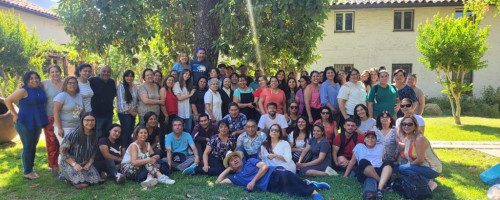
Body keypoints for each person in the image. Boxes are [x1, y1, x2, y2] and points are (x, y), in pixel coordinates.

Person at [215, 151, 329, 200]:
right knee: (291, 191)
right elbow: (218, 182)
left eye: (236, 157)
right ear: (230, 165)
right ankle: (311, 184)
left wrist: (253, 181)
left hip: (274, 173)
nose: (235, 160)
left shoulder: (250, 161)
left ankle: (313, 191)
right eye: (231, 160)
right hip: (269, 186)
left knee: (286, 177)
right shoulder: (236, 178)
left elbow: (265, 167)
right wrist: (228, 169)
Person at [4, 71, 48, 180]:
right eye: (31, 79)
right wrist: (14, 114)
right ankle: (27, 171)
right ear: (26, 81)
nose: (34, 80)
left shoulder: (39, 88)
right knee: (28, 146)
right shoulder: (23, 91)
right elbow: (7, 100)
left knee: (33, 145)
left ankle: (30, 169)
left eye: (36, 78)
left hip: (37, 121)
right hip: (24, 121)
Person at [343, 131, 393, 199]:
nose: (370, 139)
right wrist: (345, 175)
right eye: (368, 137)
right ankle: (382, 183)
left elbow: (383, 159)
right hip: (364, 171)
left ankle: (380, 189)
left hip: (378, 170)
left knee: (388, 162)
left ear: (376, 140)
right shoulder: (359, 146)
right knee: (363, 161)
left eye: (373, 137)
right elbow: (352, 161)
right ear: (364, 139)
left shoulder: (380, 147)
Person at [59, 113, 102, 189]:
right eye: (87, 120)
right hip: (69, 162)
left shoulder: (95, 134)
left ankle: (78, 176)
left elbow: (94, 152)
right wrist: (74, 164)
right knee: (82, 185)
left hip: (85, 162)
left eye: (92, 120)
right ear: (82, 121)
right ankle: (66, 175)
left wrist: (89, 163)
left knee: (95, 181)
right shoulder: (74, 134)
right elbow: (63, 151)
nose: (90, 123)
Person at [398, 116, 442, 191]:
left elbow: (420, 159)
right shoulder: (407, 138)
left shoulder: (419, 138)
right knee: (402, 169)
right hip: (422, 166)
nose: (406, 126)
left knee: (402, 168)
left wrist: (408, 165)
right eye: (404, 124)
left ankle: (430, 183)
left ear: (415, 126)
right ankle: (425, 180)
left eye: (410, 124)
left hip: (433, 168)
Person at [42, 65, 63, 173]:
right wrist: (22, 87)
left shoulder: (65, 83)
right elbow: (31, 87)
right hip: (49, 116)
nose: (55, 74)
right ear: (49, 73)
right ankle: (54, 165)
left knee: (62, 141)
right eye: (52, 72)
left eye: (57, 72)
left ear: (60, 72)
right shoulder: (45, 83)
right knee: (51, 141)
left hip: (63, 117)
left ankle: (63, 163)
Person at [53, 77, 85, 146]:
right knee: (65, 149)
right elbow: (56, 112)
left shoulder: (79, 96)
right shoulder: (62, 96)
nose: (72, 85)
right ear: (65, 85)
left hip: (77, 127)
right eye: (69, 83)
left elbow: (83, 112)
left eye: (74, 83)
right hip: (65, 128)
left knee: (75, 149)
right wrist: (60, 128)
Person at [89, 65, 116, 138]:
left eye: (108, 72)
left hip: (108, 115)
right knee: (97, 136)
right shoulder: (92, 81)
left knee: (108, 135)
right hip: (96, 115)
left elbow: (113, 95)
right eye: (104, 71)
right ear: (100, 72)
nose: (106, 73)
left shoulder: (112, 82)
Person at [117, 70, 138, 149]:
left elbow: (136, 100)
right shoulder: (121, 87)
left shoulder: (135, 86)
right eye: (127, 76)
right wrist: (131, 112)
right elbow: (121, 102)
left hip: (133, 113)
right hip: (124, 113)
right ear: (124, 77)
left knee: (130, 132)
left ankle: (129, 150)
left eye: (131, 76)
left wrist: (135, 111)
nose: (129, 78)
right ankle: (123, 151)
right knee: (125, 132)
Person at [159, 75, 178, 146]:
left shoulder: (172, 91)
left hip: (173, 115)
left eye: (172, 81)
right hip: (165, 115)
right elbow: (162, 103)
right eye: (169, 80)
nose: (171, 82)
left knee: (171, 133)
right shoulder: (163, 89)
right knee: (163, 133)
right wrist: (166, 115)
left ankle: (170, 148)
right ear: (166, 81)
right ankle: (163, 149)